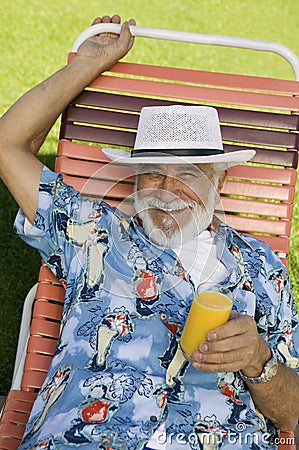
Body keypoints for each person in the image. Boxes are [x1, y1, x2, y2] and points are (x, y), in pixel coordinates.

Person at [0, 14, 298, 450]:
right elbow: (8, 146)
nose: (166, 190)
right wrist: (88, 64)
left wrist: (258, 361)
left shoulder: (263, 270)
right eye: (153, 172)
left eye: (188, 173)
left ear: (221, 183)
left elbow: (292, 413)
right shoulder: (94, 234)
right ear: (134, 180)